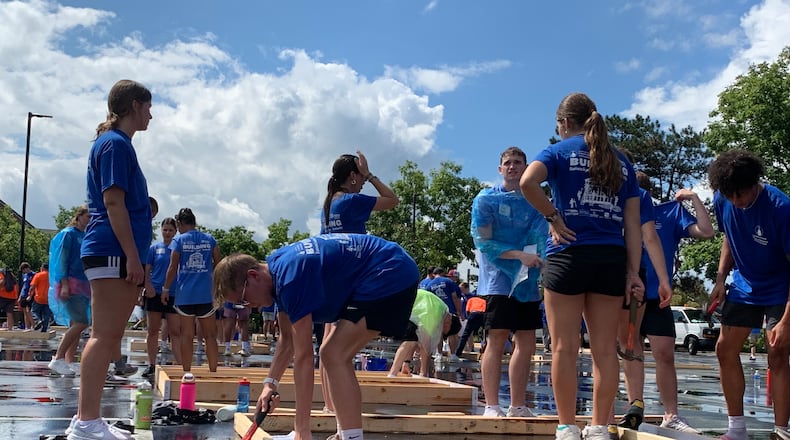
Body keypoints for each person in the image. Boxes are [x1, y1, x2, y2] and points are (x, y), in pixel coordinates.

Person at [519, 93, 644, 440]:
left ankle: (567, 426)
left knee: (563, 347)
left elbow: (528, 182)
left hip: (568, 255)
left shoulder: (558, 152)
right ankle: (600, 426)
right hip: (609, 259)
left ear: (563, 123)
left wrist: (554, 217)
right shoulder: (621, 162)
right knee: (605, 349)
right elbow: (632, 224)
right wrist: (633, 272)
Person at [213, 234, 419, 440]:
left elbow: (303, 357)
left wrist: (302, 429)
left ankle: (351, 436)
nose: (250, 307)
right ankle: (346, 432)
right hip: (387, 269)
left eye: (244, 299)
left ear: (253, 276)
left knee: (333, 354)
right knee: (332, 354)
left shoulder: (291, 278)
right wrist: (270, 383)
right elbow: (287, 341)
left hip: (391, 271)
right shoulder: (277, 272)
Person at [68, 79, 153, 440]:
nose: (151, 114)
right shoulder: (116, 144)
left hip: (110, 249)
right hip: (113, 250)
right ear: (134, 105)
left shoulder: (115, 144)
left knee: (107, 335)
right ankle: (86, 422)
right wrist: (133, 257)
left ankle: (89, 420)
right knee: (103, 336)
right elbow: (113, 202)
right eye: (148, 106)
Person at [620, 174, 714, 433]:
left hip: (658, 295)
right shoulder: (619, 210)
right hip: (628, 293)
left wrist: (694, 198)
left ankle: (671, 414)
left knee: (665, 354)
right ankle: (634, 408)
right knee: (631, 350)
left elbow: (706, 232)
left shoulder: (669, 213)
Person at [707, 150, 790, 440]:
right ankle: (736, 429)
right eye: (730, 197)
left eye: (740, 195)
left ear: (755, 183)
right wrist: (720, 279)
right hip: (744, 284)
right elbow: (729, 236)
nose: (736, 203)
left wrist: (787, 320)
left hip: (781, 286)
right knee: (724, 349)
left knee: (778, 353)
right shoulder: (724, 198)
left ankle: (780, 430)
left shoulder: (781, 207)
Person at [472, 146, 548, 418]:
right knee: (497, 339)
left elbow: (543, 236)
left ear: (526, 168)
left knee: (526, 342)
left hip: (527, 282)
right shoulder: (486, 200)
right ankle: (492, 405)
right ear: (500, 168)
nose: (513, 166)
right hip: (498, 282)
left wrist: (539, 259)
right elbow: (484, 241)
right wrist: (518, 255)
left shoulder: (536, 201)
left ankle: (518, 404)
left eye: (518, 162)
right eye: (508, 162)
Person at [613, 167, 674, 434]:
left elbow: (650, 236)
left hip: (629, 273)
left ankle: (635, 404)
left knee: (627, 342)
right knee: (619, 343)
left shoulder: (640, 196)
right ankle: (624, 406)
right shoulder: (602, 188)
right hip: (607, 266)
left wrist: (663, 279)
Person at [163, 207, 221, 373]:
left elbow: (172, 267)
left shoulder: (179, 241)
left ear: (180, 224)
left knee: (186, 335)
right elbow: (219, 264)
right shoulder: (209, 239)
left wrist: (166, 288)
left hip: (185, 295)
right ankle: (213, 371)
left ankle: (186, 372)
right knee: (210, 335)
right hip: (206, 295)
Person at [48, 206, 92, 378]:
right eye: (88, 216)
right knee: (81, 323)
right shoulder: (68, 234)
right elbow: (61, 260)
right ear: (79, 216)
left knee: (76, 324)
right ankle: (58, 358)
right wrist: (64, 284)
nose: (90, 220)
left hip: (82, 284)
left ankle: (69, 361)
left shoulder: (84, 235)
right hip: (71, 284)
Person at [142, 217, 182, 378]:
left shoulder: (178, 249)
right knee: (153, 330)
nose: (167, 233)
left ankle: (180, 365)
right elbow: (147, 268)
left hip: (173, 293)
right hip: (155, 292)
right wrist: (147, 285)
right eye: (165, 230)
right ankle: (151, 364)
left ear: (175, 232)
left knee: (175, 332)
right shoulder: (154, 248)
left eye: (170, 230)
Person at [321, 150, 399, 234]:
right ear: (353, 176)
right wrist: (369, 175)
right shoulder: (352, 201)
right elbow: (393, 200)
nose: (364, 180)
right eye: (362, 175)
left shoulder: (327, 206)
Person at [388, 289, 457, 377]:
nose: (442, 330)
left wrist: (407, 362)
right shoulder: (436, 314)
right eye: (444, 330)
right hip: (404, 306)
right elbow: (426, 347)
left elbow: (416, 341)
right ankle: (393, 373)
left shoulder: (440, 309)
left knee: (411, 341)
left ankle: (400, 368)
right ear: (449, 322)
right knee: (409, 342)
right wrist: (423, 373)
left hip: (405, 305)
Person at [426, 267, 463, 360]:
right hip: (450, 311)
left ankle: (439, 354)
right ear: (442, 273)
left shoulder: (429, 285)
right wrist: (459, 311)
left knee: (439, 334)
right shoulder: (448, 282)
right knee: (452, 333)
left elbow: (429, 302)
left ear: (434, 274)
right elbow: (454, 297)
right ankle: (453, 355)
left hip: (437, 312)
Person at [455, 288, 486, 357]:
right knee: (485, 334)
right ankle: (484, 350)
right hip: (483, 314)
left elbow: (467, 311)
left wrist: (469, 320)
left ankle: (458, 352)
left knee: (466, 335)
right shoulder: (484, 300)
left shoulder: (471, 300)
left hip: (473, 314)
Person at [29, 263, 53, 332]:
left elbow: (32, 287)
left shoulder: (38, 275)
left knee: (34, 311)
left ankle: (37, 321)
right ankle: (44, 330)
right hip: (48, 299)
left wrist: (29, 296)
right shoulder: (52, 276)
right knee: (46, 314)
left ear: (42, 268)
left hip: (38, 298)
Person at [18, 262, 36, 329]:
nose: (23, 271)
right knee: (25, 311)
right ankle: (27, 326)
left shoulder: (34, 275)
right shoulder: (24, 276)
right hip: (23, 294)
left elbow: (34, 286)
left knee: (29, 311)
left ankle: (34, 326)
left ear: (27, 268)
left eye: (24, 269)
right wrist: (20, 296)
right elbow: (23, 286)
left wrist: (31, 295)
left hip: (30, 294)